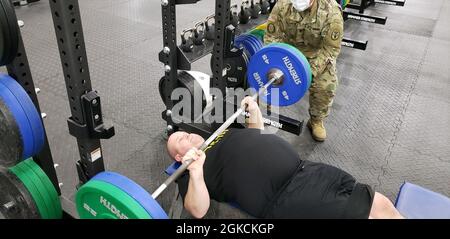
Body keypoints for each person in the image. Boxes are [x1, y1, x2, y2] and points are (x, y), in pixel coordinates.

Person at [166, 97, 404, 219]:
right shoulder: (188, 169)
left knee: (380, 202)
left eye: (186, 131)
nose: (187, 133)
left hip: (307, 170)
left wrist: (254, 112)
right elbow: (197, 211)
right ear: (179, 155)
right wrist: (196, 172)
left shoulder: (221, 133)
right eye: (180, 138)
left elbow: (255, 135)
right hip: (286, 196)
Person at [264, 0, 343, 142]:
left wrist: (308, 72)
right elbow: (271, 36)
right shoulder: (283, 4)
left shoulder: (331, 11)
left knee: (327, 84)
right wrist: (275, 62)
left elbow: (330, 50)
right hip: (288, 53)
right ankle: (269, 107)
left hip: (315, 57)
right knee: (269, 74)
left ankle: (316, 120)